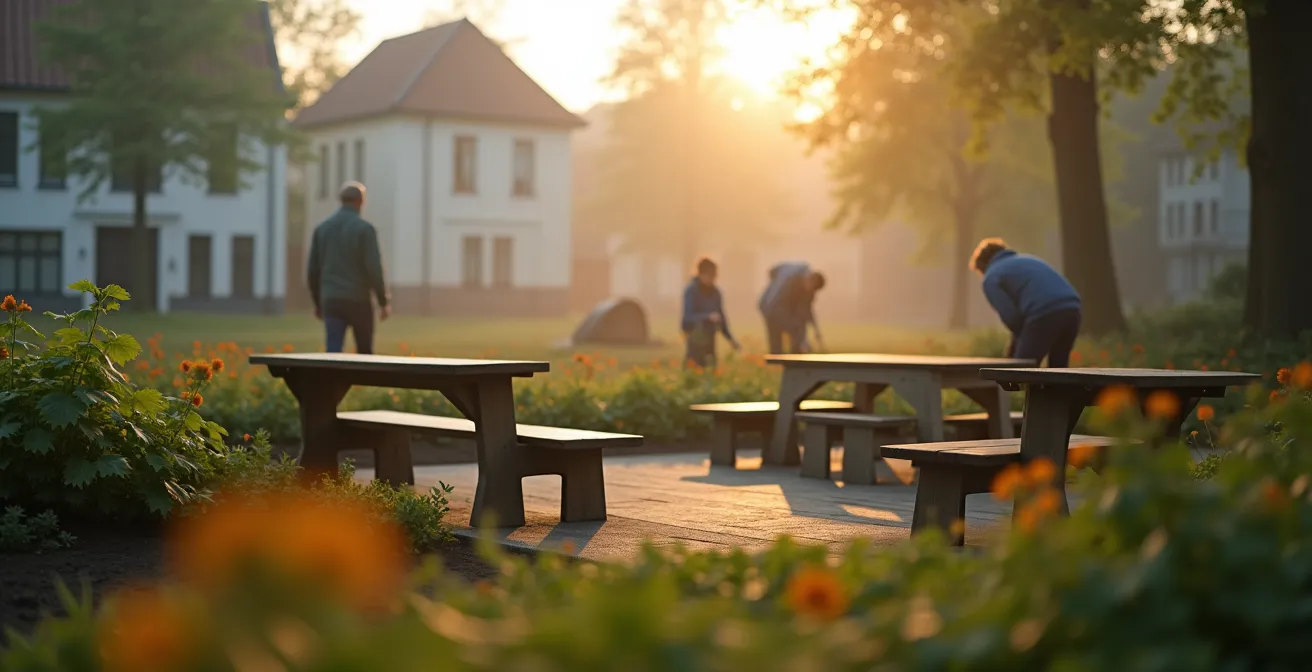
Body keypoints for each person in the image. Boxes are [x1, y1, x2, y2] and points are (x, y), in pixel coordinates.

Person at [970, 238, 1082, 367]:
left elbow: (1012, 317)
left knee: (1020, 369)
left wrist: (1015, 349)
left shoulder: (991, 276)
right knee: (1059, 367)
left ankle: (1008, 386)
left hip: (1044, 312)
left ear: (982, 266)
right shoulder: (1027, 260)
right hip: (1072, 307)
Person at [307, 181, 390, 354]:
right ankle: (364, 380)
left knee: (334, 349)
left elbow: (313, 271)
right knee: (365, 352)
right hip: (359, 299)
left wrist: (318, 302)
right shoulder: (365, 230)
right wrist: (383, 301)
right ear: (361, 202)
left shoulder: (322, 229)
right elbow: (374, 268)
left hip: (332, 299)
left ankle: (332, 381)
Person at [681, 257, 740, 367]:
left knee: (711, 371)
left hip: (710, 340)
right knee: (693, 371)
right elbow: (687, 318)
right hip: (695, 340)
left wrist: (731, 340)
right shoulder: (691, 291)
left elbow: (722, 319)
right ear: (701, 274)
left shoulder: (716, 293)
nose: (713, 279)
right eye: (710, 276)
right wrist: (707, 317)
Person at [758, 261, 826, 355]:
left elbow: (807, 311)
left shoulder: (808, 290)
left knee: (796, 328)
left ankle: (796, 356)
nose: (811, 290)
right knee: (778, 340)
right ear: (811, 279)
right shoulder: (788, 282)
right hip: (772, 309)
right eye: (812, 287)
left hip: (782, 310)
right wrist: (801, 337)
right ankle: (784, 358)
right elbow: (775, 306)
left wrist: (816, 330)